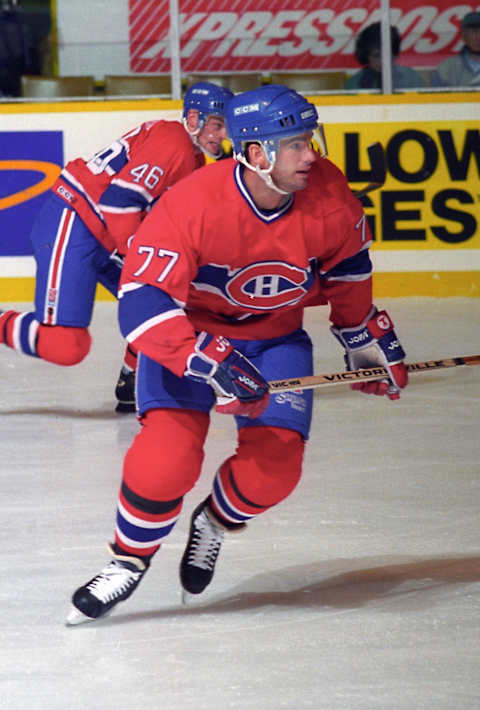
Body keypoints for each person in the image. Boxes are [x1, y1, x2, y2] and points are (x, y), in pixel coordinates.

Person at [66, 84, 408, 625]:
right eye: (294, 145)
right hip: (189, 336)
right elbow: (141, 300)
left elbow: (347, 271)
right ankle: (128, 561)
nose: (311, 155)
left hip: (274, 338)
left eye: (309, 140)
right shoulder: (192, 203)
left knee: (276, 469)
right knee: (165, 462)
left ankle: (214, 523)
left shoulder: (329, 193)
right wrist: (202, 358)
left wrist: (361, 337)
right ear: (254, 153)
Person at [0, 82, 233, 412]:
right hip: (75, 221)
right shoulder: (175, 143)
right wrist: (141, 260)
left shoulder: (191, 155)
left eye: (226, 128)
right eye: (217, 125)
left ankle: (132, 377)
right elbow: (119, 202)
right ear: (193, 118)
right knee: (66, 346)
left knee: (168, 299)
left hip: (108, 232)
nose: (222, 135)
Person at [345, 22, 424, 90]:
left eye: (386, 54)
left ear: (394, 54)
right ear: (366, 56)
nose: (382, 60)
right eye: (376, 55)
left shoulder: (411, 77)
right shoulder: (354, 83)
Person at [432, 11, 480, 88]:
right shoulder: (447, 67)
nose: (478, 37)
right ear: (464, 36)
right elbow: (435, 98)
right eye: (474, 32)